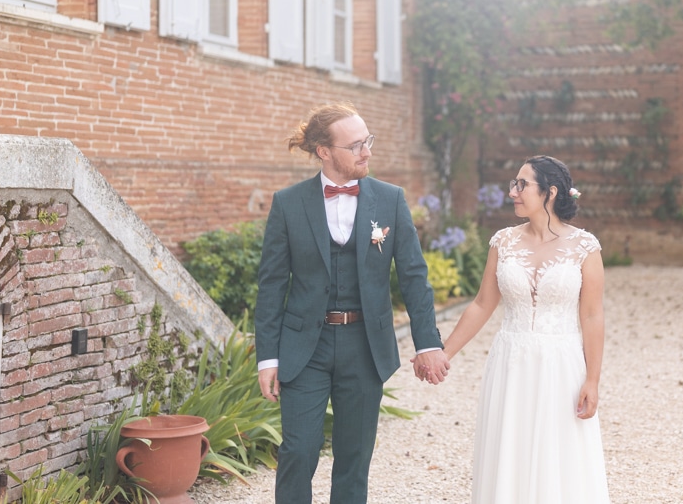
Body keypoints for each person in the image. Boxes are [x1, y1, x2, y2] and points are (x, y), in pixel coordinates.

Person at [254, 102, 451, 504]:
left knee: (354, 459)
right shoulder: (289, 203)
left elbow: (414, 276)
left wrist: (428, 343)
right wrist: (267, 358)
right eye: (356, 145)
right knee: (298, 452)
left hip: (365, 345)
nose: (367, 152)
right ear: (324, 151)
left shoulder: (390, 199)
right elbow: (272, 285)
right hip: (305, 347)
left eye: (368, 141)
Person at [442, 155, 610, 503]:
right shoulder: (502, 242)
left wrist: (592, 379)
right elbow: (482, 304)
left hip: (561, 365)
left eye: (521, 185)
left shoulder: (585, 247)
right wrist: (445, 353)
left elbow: (592, 315)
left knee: (559, 453)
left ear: (549, 192)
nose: (513, 192)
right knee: (510, 449)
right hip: (510, 362)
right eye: (513, 184)